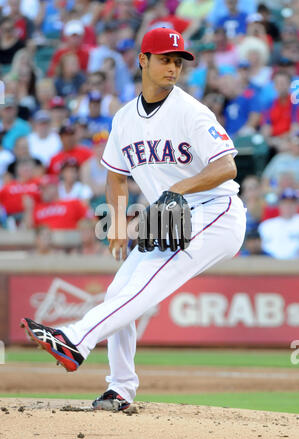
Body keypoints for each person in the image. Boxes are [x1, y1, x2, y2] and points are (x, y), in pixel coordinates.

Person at [21, 27, 246, 412]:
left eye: (178, 61)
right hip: (169, 215)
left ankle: (75, 339)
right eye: (165, 59)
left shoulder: (192, 112)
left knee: (143, 287)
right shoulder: (124, 119)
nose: (173, 68)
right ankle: (120, 387)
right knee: (119, 292)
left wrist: (180, 190)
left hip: (215, 212)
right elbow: (115, 176)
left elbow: (226, 166)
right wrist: (119, 225)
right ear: (143, 60)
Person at [258, 188, 299, 259]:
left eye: (292, 202)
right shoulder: (266, 225)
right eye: (285, 202)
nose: (288, 206)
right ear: (279, 204)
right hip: (270, 265)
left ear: (297, 205)